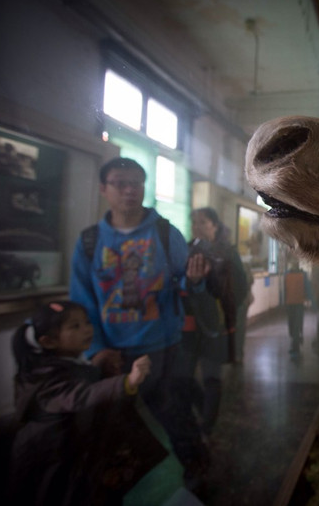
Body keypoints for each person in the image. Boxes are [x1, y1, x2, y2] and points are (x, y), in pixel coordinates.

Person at [68, 157, 210, 487]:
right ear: (104, 189)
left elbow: (186, 283)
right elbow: (83, 301)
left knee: (174, 415)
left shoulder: (164, 233)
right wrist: (98, 350)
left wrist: (197, 279)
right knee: (115, 424)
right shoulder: (90, 242)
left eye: (137, 183)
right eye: (120, 183)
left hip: (163, 349)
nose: (130, 190)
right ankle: (118, 483)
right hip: (114, 354)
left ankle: (197, 467)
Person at [7, 301, 163, 506]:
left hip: (71, 449)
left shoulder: (68, 361)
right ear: (49, 342)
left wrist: (100, 368)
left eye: (87, 322)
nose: (87, 329)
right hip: (50, 456)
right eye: (75, 326)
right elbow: (81, 396)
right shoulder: (45, 379)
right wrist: (127, 382)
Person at [183, 207, 249, 434]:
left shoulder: (228, 253)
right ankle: (203, 411)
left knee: (211, 375)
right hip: (189, 323)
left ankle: (207, 425)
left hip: (215, 322)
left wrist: (221, 300)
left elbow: (240, 287)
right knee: (183, 375)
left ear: (215, 225)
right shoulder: (187, 250)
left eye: (203, 222)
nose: (197, 226)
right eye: (194, 222)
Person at [284, 257, 313, 360]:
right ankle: (297, 339)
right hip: (297, 303)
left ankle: (295, 344)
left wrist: (310, 299)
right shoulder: (302, 274)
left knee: (293, 324)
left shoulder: (287, 274)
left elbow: (284, 289)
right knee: (296, 323)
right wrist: (310, 299)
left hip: (292, 303)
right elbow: (307, 287)